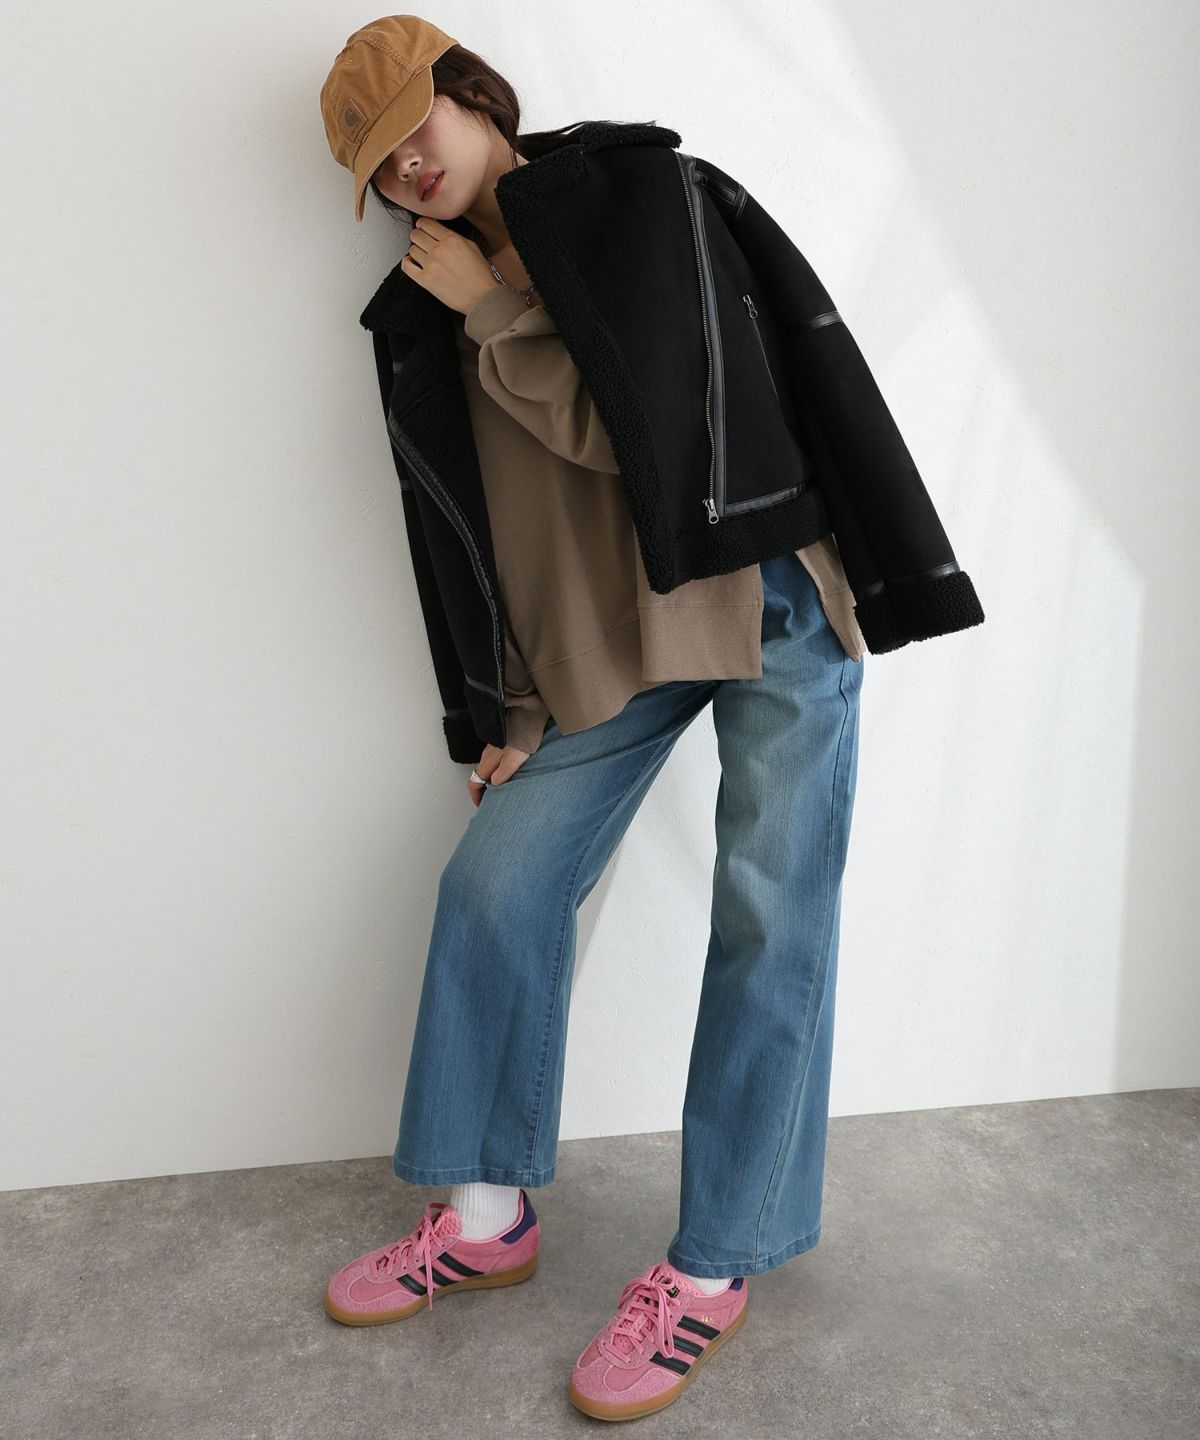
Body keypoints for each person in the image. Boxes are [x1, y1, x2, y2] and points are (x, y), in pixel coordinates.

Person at [319, 16, 875, 1424]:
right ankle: (484, 1217)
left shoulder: (635, 196)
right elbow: (486, 530)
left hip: (762, 600)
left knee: (769, 921)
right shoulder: (420, 310)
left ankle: (715, 1262)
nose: (406, 172)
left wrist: (496, 314)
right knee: (494, 886)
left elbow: (664, 432)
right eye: (378, 167)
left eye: (412, 130)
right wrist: (506, 705)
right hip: (617, 648)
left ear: (470, 94)